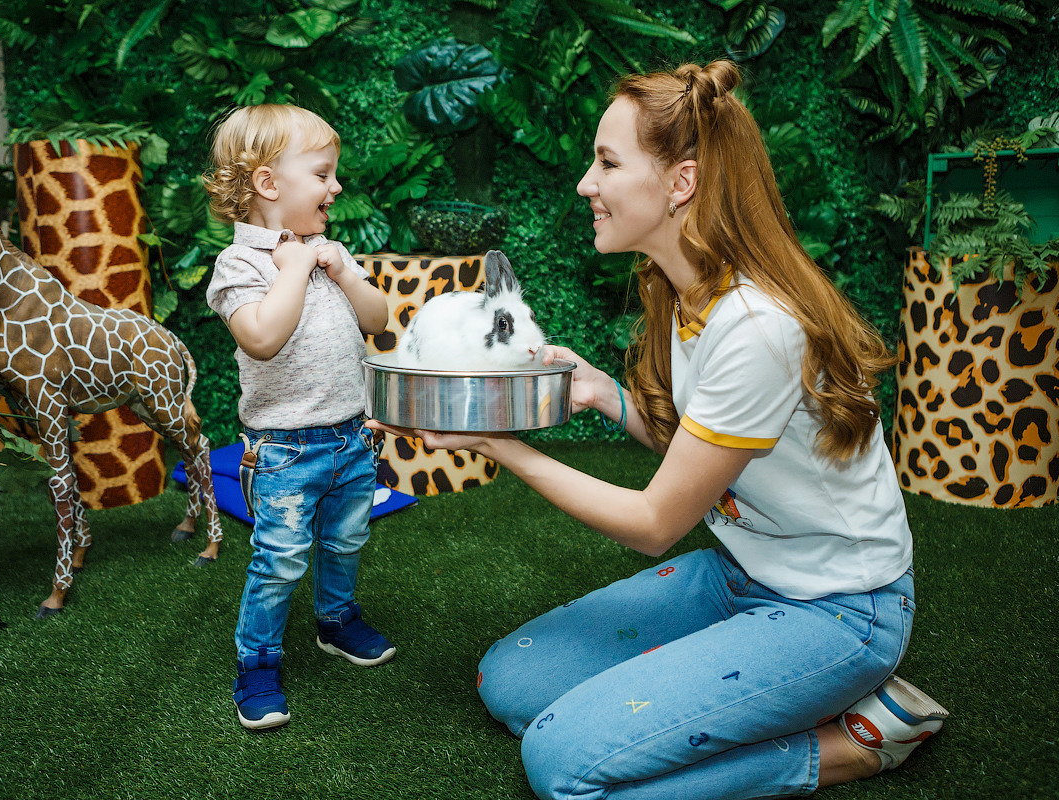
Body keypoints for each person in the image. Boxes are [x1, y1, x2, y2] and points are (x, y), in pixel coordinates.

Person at [368, 60, 948, 798]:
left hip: (839, 612)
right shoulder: (685, 293)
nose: (586, 183)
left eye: (608, 163)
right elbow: (696, 453)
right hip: (743, 576)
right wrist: (603, 393)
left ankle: (856, 742)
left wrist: (495, 445)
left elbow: (654, 521)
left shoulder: (755, 328)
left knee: (561, 765)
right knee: (508, 682)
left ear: (681, 184)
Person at [204, 104, 394, 731]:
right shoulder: (243, 267)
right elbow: (261, 337)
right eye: (322, 174)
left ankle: (336, 622)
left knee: (346, 540)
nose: (335, 187)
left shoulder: (326, 252)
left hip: (350, 437)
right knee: (279, 560)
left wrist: (340, 269)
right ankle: (256, 664)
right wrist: (293, 270)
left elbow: (377, 320)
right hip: (282, 450)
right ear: (267, 184)